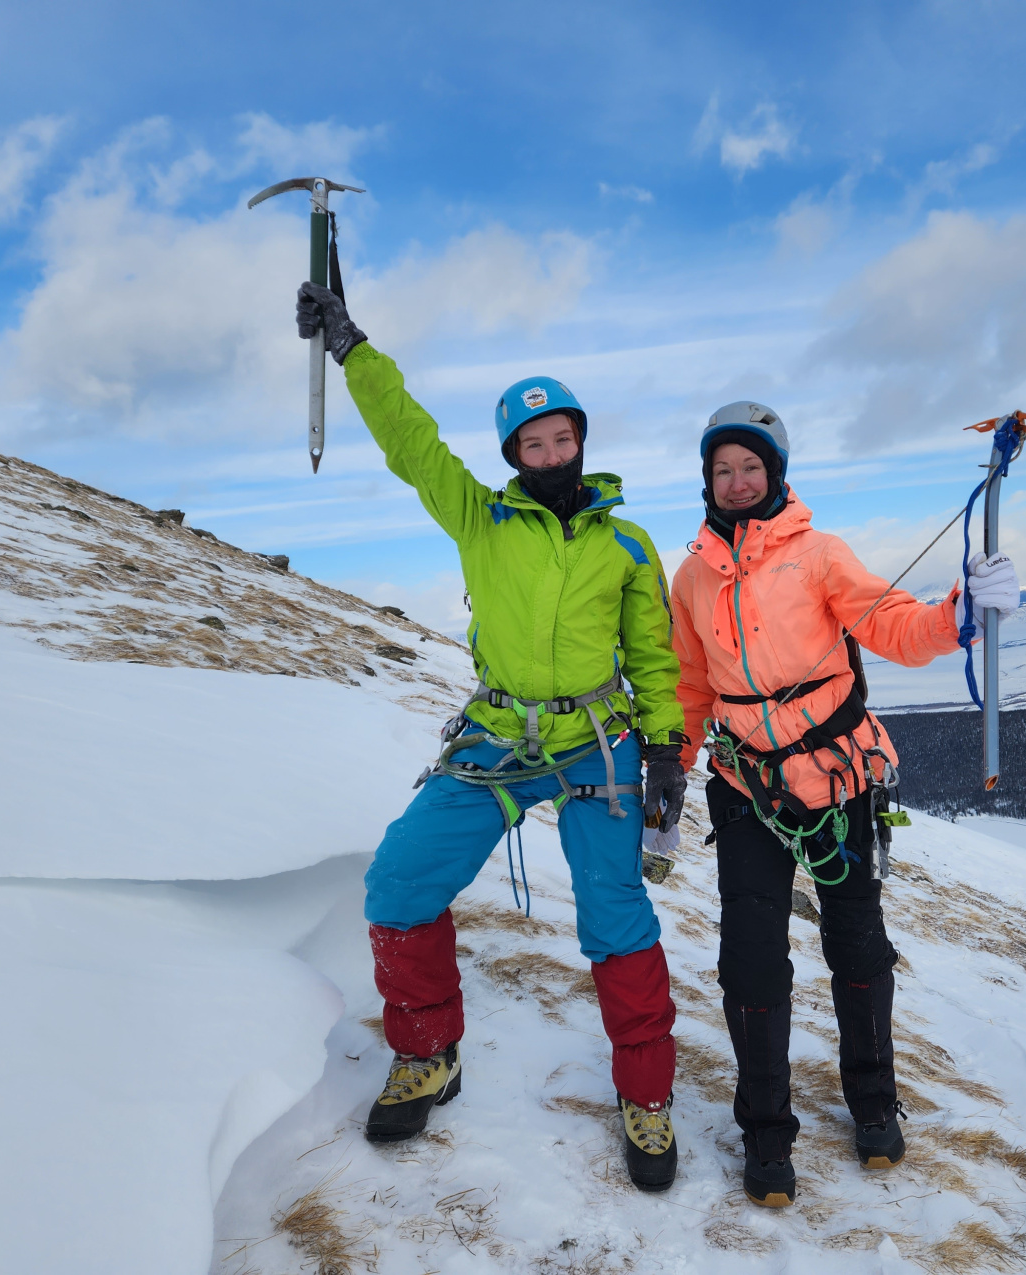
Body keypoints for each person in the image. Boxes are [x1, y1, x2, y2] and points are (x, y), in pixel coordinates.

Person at [293, 283, 692, 1192]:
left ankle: (648, 1097)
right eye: (532, 442)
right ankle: (429, 1053)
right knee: (399, 880)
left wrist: (667, 750)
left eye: (563, 437)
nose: (550, 452)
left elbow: (654, 657)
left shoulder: (626, 545)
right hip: (499, 735)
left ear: (582, 442)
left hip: (598, 739)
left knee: (615, 913)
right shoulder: (481, 517)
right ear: (513, 453)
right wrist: (355, 349)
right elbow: (410, 441)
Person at [668, 402, 1021, 1208]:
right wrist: (672, 766)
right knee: (750, 959)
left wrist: (958, 617)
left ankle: (872, 1104)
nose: (736, 480)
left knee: (857, 942)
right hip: (745, 785)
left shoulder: (819, 555)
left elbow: (889, 621)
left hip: (837, 776)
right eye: (722, 469)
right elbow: (692, 683)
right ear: (707, 481)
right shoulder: (691, 578)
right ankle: (766, 1134)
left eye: (749, 466)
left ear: (775, 472)